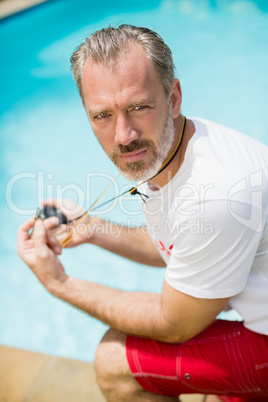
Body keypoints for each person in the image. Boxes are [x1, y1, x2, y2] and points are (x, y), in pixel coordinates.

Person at [17, 25, 268, 402]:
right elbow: (170, 244)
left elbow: (175, 324)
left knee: (114, 360)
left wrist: (58, 283)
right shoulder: (168, 148)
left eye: (138, 107)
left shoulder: (216, 195)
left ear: (174, 96)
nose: (123, 135)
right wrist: (92, 228)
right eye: (102, 115)